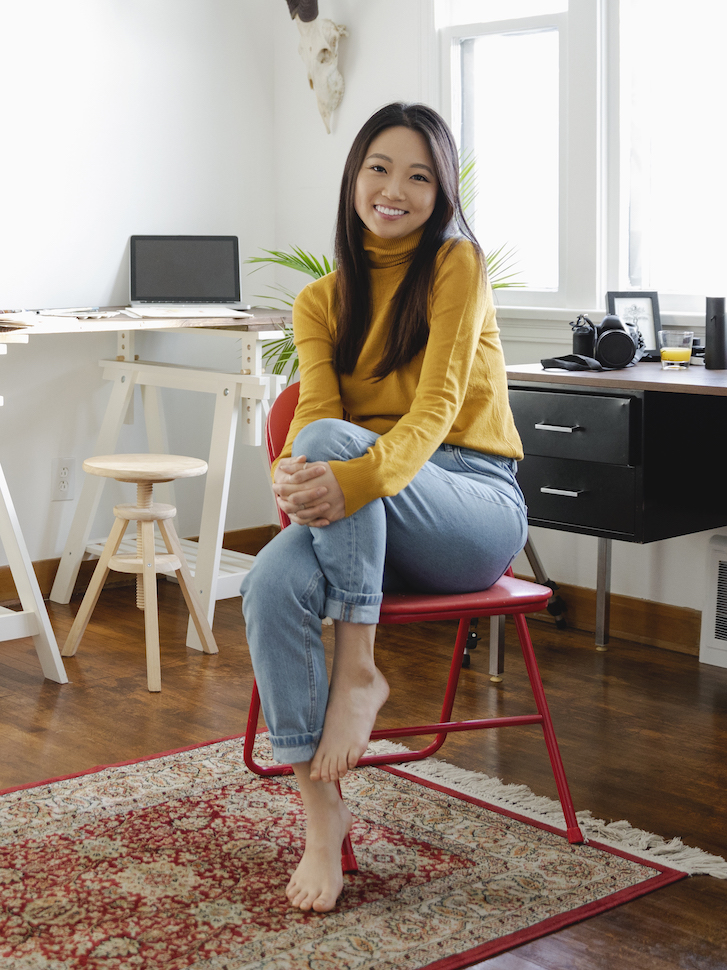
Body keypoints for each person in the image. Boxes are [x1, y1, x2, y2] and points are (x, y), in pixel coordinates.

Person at [241, 102, 528, 913]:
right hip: (367, 515)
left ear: (439, 193)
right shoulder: (320, 300)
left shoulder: (455, 264)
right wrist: (295, 478)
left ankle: (359, 670)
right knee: (267, 585)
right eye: (379, 168)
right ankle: (322, 817)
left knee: (333, 440)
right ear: (354, 176)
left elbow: (436, 409)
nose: (393, 189)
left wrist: (337, 470)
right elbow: (313, 417)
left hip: (471, 502)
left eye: (418, 175)